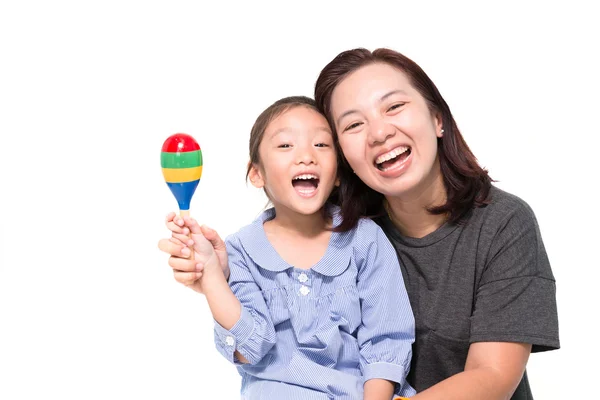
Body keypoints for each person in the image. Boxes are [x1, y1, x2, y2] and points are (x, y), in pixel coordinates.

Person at [159, 48, 560, 399]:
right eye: (353, 124)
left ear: (437, 118)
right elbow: (256, 343)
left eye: (394, 107)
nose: (380, 132)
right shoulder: (331, 229)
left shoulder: (503, 223)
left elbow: (491, 376)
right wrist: (216, 277)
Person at [168, 95, 417, 400]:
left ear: (338, 173)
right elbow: (249, 349)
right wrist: (211, 277)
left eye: (321, 145)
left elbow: (386, 341)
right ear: (257, 173)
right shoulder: (241, 251)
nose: (306, 156)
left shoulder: (365, 240)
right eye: (285, 145)